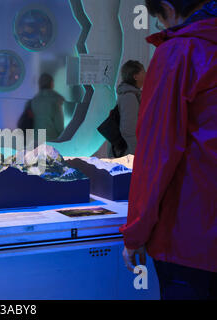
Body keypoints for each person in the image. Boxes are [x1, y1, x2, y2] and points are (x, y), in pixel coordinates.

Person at [120, 0, 216, 300]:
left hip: (189, 235)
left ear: (167, 7)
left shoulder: (179, 51)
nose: (160, 26)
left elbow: (157, 152)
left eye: (158, 18)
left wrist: (136, 232)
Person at [116, 60, 146, 156]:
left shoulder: (131, 94)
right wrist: (138, 152)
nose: (146, 74)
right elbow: (128, 129)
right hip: (129, 153)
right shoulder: (129, 97)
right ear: (135, 76)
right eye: (143, 72)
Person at [30, 73, 65, 143]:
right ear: (52, 84)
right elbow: (59, 124)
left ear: (39, 84)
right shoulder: (56, 100)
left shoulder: (33, 101)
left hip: (36, 138)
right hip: (51, 138)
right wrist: (63, 137)